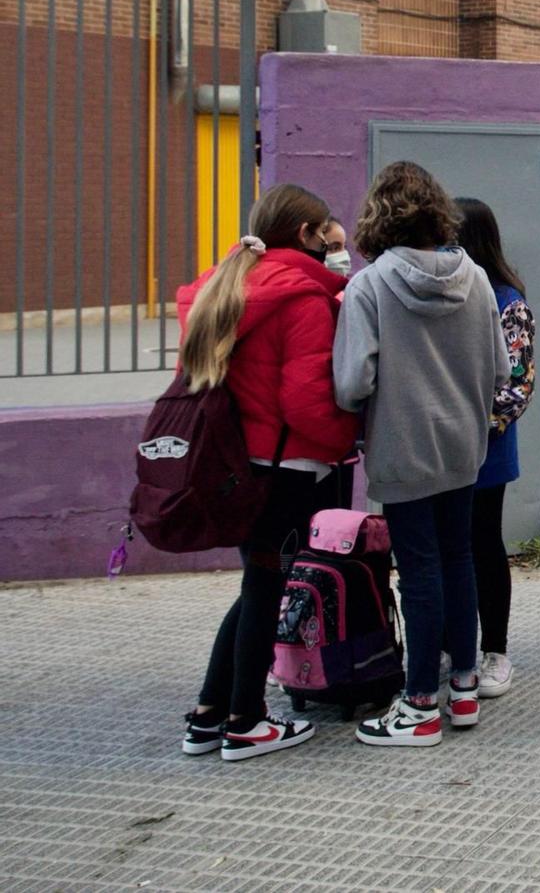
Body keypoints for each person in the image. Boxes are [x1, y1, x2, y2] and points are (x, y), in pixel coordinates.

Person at [175, 186, 358, 762]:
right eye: (328, 239)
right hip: (287, 468)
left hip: (235, 466)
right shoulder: (302, 301)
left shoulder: (223, 287)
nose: (334, 251)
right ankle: (246, 721)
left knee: (256, 586)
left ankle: (210, 712)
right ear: (305, 235)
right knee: (264, 589)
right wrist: (343, 443)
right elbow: (305, 402)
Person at [335, 162, 509, 747]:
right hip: (464, 443)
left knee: (419, 570)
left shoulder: (369, 286)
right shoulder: (478, 280)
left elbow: (351, 382)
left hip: (401, 445)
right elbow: (502, 369)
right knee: (458, 559)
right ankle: (462, 688)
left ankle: (417, 706)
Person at [453, 198, 536, 700]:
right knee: (448, 548)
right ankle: (448, 644)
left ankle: (496, 651)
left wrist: (469, 426)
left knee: (484, 545)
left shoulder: (508, 302)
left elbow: (518, 385)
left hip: (486, 449)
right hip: (442, 450)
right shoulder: (445, 295)